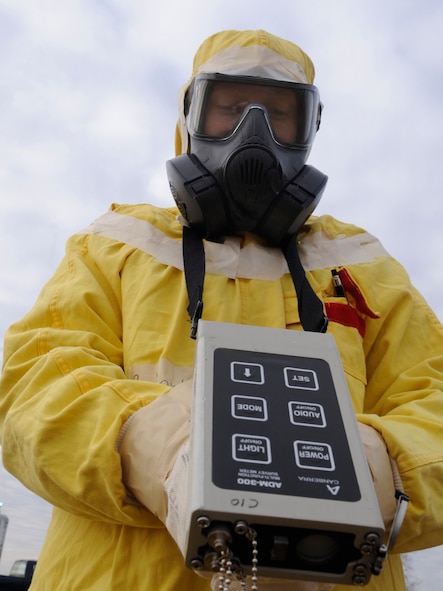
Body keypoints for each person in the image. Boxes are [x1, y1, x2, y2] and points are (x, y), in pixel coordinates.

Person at [1, 28, 443, 591]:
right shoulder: (115, 244)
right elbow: (35, 383)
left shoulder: (361, 266)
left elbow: (435, 402)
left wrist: (368, 479)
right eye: (229, 108)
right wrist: (164, 451)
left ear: (308, 133)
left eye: (280, 116)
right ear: (190, 119)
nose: (252, 133)